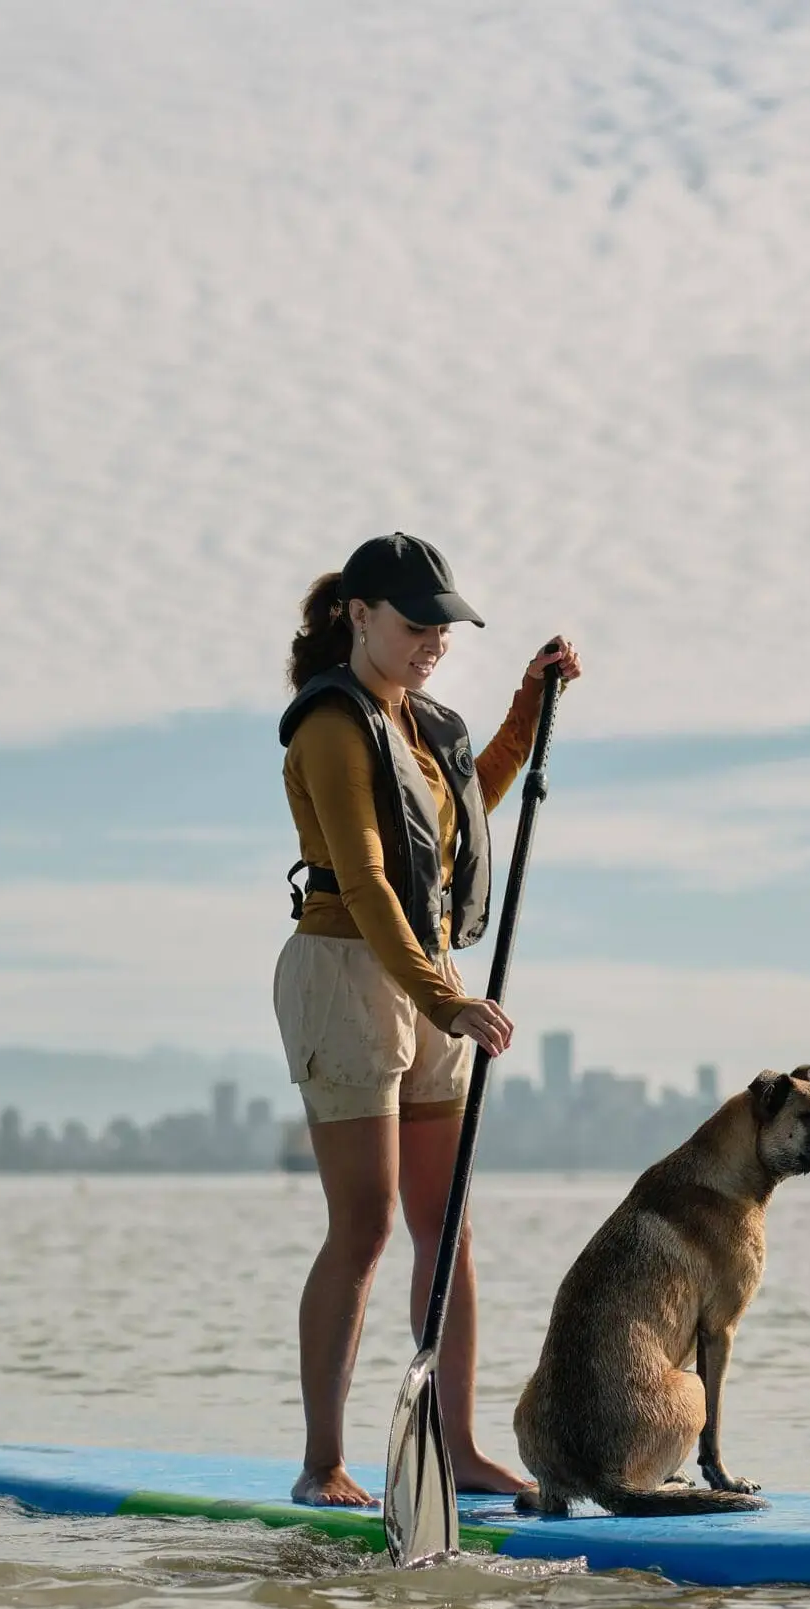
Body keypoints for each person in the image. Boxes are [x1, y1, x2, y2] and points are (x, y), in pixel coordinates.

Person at [274, 531, 582, 1508]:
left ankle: (461, 1449)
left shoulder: (425, 723)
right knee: (362, 1227)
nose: (433, 643)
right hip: (348, 973)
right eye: (415, 627)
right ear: (360, 616)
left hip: (430, 976)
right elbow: (366, 879)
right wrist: (443, 996)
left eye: (443, 629)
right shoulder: (332, 724)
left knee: (446, 1229)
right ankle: (323, 1463)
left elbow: (465, 816)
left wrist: (530, 706)